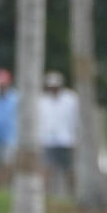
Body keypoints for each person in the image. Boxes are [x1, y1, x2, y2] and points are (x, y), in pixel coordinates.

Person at [38, 70, 78, 199]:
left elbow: (76, 120)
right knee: (46, 169)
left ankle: (72, 195)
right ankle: (45, 196)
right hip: (47, 140)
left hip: (67, 140)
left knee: (69, 170)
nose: (53, 89)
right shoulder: (42, 101)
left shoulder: (71, 99)